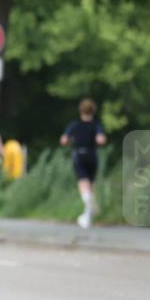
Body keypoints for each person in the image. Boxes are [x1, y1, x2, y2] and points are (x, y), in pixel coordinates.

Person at [60, 98, 106, 229]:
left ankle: (90, 206)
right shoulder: (96, 125)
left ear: (81, 111)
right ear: (93, 111)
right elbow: (101, 139)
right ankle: (87, 218)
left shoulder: (75, 125)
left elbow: (63, 140)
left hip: (79, 155)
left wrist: (71, 140)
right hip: (92, 156)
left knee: (83, 185)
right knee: (91, 186)